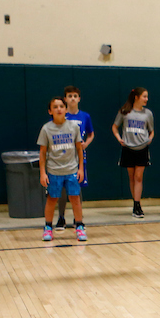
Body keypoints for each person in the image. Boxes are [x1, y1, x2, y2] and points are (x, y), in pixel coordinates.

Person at [38, 97, 86, 242]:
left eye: (61, 106)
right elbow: (42, 153)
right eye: (55, 106)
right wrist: (43, 172)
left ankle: (79, 226)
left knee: (75, 199)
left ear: (65, 109)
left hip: (71, 170)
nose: (59, 109)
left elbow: (79, 149)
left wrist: (81, 169)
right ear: (50, 111)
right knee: (52, 199)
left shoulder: (73, 127)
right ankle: (47, 227)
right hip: (54, 171)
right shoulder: (46, 129)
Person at [112, 87, 153, 218]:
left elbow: (151, 130)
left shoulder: (148, 114)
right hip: (128, 148)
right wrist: (119, 139)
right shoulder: (125, 112)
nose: (146, 99)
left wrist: (149, 139)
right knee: (132, 177)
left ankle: (137, 205)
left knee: (139, 177)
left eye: (147, 97)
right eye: (144, 96)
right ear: (137, 97)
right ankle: (135, 204)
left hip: (142, 148)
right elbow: (114, 126)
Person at [56, 85, 93, 231]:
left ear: (79, 98)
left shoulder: (85, 116)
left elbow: (91, 134)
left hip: (78, 157)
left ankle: (78, 218)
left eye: (75, 96)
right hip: (63, 156)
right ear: (65, 99)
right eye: (69, 96)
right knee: (62, 188)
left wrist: (85, 145)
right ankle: (61, 217)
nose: (72, 98)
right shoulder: (61, 116)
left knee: (77, 187)